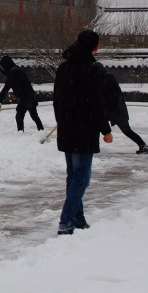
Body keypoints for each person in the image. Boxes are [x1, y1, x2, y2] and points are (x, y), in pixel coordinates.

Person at [52, 29, 112, 235]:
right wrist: (105, 129)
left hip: (68, 127)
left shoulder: (64, 68)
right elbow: (96, 103)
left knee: (73, 175)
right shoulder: (92, 69)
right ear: (93, 46)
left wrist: (62, 120)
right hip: (84, 129)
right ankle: (66, 221)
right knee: (81, 178)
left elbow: (57, 100)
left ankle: (78, 218)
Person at [102, 70, 148, 153]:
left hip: (115, 109)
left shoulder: (105, 78)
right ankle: (143, 145)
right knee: (126, 130)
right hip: (114, 109)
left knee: (126, 130)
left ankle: (143, 145)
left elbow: (109, 95)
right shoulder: (107, 77)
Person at [0, 55, 44, 132]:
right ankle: (41, 130)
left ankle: (21, 133)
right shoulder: (19, 70)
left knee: (19, 117)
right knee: (34, 116)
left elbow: (6, 87)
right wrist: (15, 94)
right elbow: (19, 84)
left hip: (25, 98)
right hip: (31, 96)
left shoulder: (13, 72)